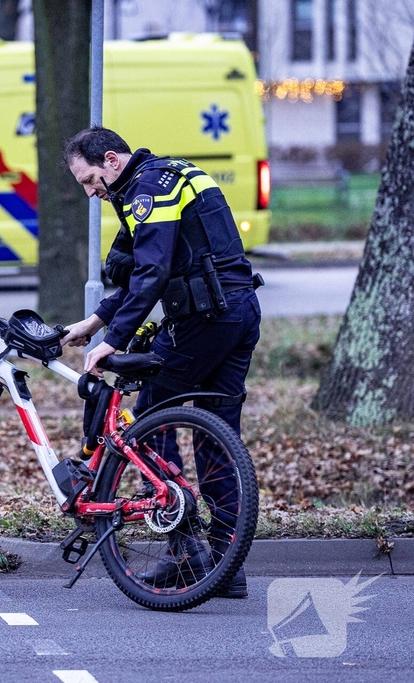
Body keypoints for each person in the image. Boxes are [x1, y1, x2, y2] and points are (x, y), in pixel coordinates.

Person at [60, 126, 261, 599]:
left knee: (149, 420)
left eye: (89, 180)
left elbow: (153, 272)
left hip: (204, 319)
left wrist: (112, 341)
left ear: (112, 160)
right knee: (216, 436)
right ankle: (226, 565)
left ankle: (184, 550)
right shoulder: (169, 175)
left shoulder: (148, 190)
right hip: (238, 313)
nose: (90, 193)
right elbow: (145, 271)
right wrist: (95, 322)